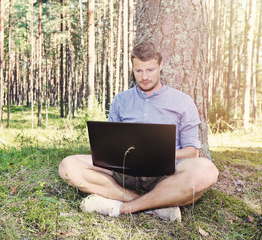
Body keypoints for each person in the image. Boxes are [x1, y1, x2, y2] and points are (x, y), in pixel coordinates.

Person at [58, 42, 219, 222]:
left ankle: (125, 207)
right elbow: (109, 144)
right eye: (139, 71)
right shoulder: (121, 100)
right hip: (124, 170)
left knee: (206, 171)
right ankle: (153, 203)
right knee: (68, 166)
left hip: (164, 173)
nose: (144, 77)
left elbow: (192, 152)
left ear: (161, 66)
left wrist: (159, 155)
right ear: (132, 68)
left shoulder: (183, 102)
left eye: (150, 70)